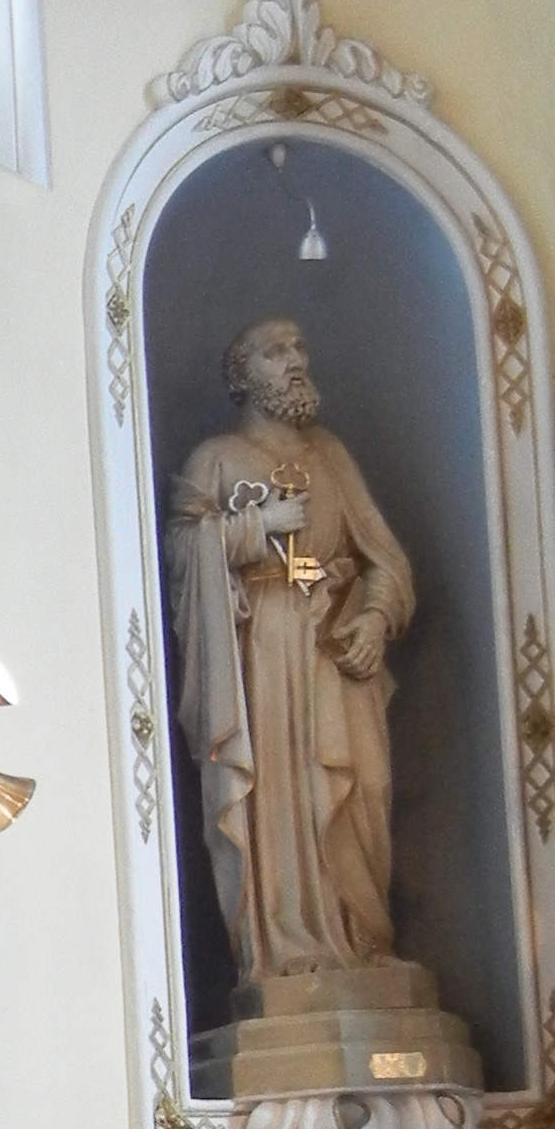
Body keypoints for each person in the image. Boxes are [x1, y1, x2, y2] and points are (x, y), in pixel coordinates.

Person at [165, 316, 412, 984]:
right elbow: (181, 552)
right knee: (278, 794)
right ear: (243, 376)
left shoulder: (331, 456)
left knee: (365, 787)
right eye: (275, 352)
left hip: (336, 641)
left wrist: (374, 618)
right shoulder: (217, 458)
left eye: (299, 347)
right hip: (263, 649)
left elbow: (385, 560)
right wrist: (256, 526)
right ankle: (285, 944)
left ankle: (363, 938)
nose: (295, 360)